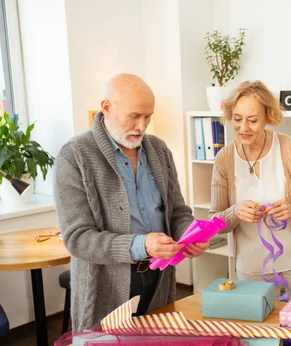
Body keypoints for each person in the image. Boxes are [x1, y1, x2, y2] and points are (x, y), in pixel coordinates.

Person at [55, 73, 208, 331]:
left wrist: (189, 234)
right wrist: (141, 244)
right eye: (134, 116)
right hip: (106, 285)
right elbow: (78, 239)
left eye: (148, 116)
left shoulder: (159, 150)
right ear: (106, 107)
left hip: (159, 278)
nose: (142, 126)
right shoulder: (74, 156)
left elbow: (178, 212)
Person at [209, 80, 291, 299]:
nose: (243, 127)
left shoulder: (289, 148)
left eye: (252, 120)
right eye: (237, 119)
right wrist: (235, 212)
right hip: (251, 269)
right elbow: (214, 222)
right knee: (259, 333)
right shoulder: (224, 159)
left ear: (268, 118)